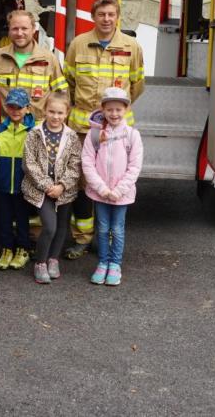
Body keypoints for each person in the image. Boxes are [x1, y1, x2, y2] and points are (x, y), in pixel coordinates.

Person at [62, 0, 145, 260]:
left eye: (111, 14)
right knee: (84, 184)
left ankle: (106, 239)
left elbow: (137, 85)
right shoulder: (78, 44)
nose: (106, 19)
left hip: (119, 132)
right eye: (101, 14)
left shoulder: (131, 46)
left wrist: (115, 113)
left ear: (117, 16)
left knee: (114, 181)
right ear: (93, 16)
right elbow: (69, 82)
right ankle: (82, 239)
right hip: (83, 128)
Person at [81, 87, 144, 286]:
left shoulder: (132, 135)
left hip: (120, 194)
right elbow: (87, 163)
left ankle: (115, 264)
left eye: (118, 109)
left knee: (117, 229)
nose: (114, 113)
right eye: (110, 109)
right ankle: (102, 262)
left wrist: (117, 191)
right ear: (103, 109)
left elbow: (135, 167)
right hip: (101, 193)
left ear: (126, 109)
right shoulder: (94, 135)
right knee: (101, 228)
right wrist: (102, 189)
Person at [21, 90, 81, 284]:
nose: (55, 117)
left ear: (67, 113)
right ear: (45, 110)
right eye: (52, 112)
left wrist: (62, 186)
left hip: (64, 191)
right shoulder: (35, 134)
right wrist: (48, 186)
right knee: (49, 226)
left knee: (62, 225)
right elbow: (29, 163)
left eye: (60, 113)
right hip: (41, 190)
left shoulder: (72, 137)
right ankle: (40, 263)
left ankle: (53, 259)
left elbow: (75, 164)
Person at [0, 9, 66, 121]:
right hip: (7, 131)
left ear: (33, 29)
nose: (19, 33)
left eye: (24, 28)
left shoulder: (48, 59)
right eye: (15, 28)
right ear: (9, 31)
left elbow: (61, 94)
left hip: (37, 129)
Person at [0, 87, 34, 271]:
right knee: (4, 218)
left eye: (19, 107)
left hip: (23, 185)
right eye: (11, 107)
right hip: (3, 185)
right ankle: (7, 248)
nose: (15, 111)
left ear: (27, 108)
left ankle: (23, 249)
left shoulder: (33, 132)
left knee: (23, 218)